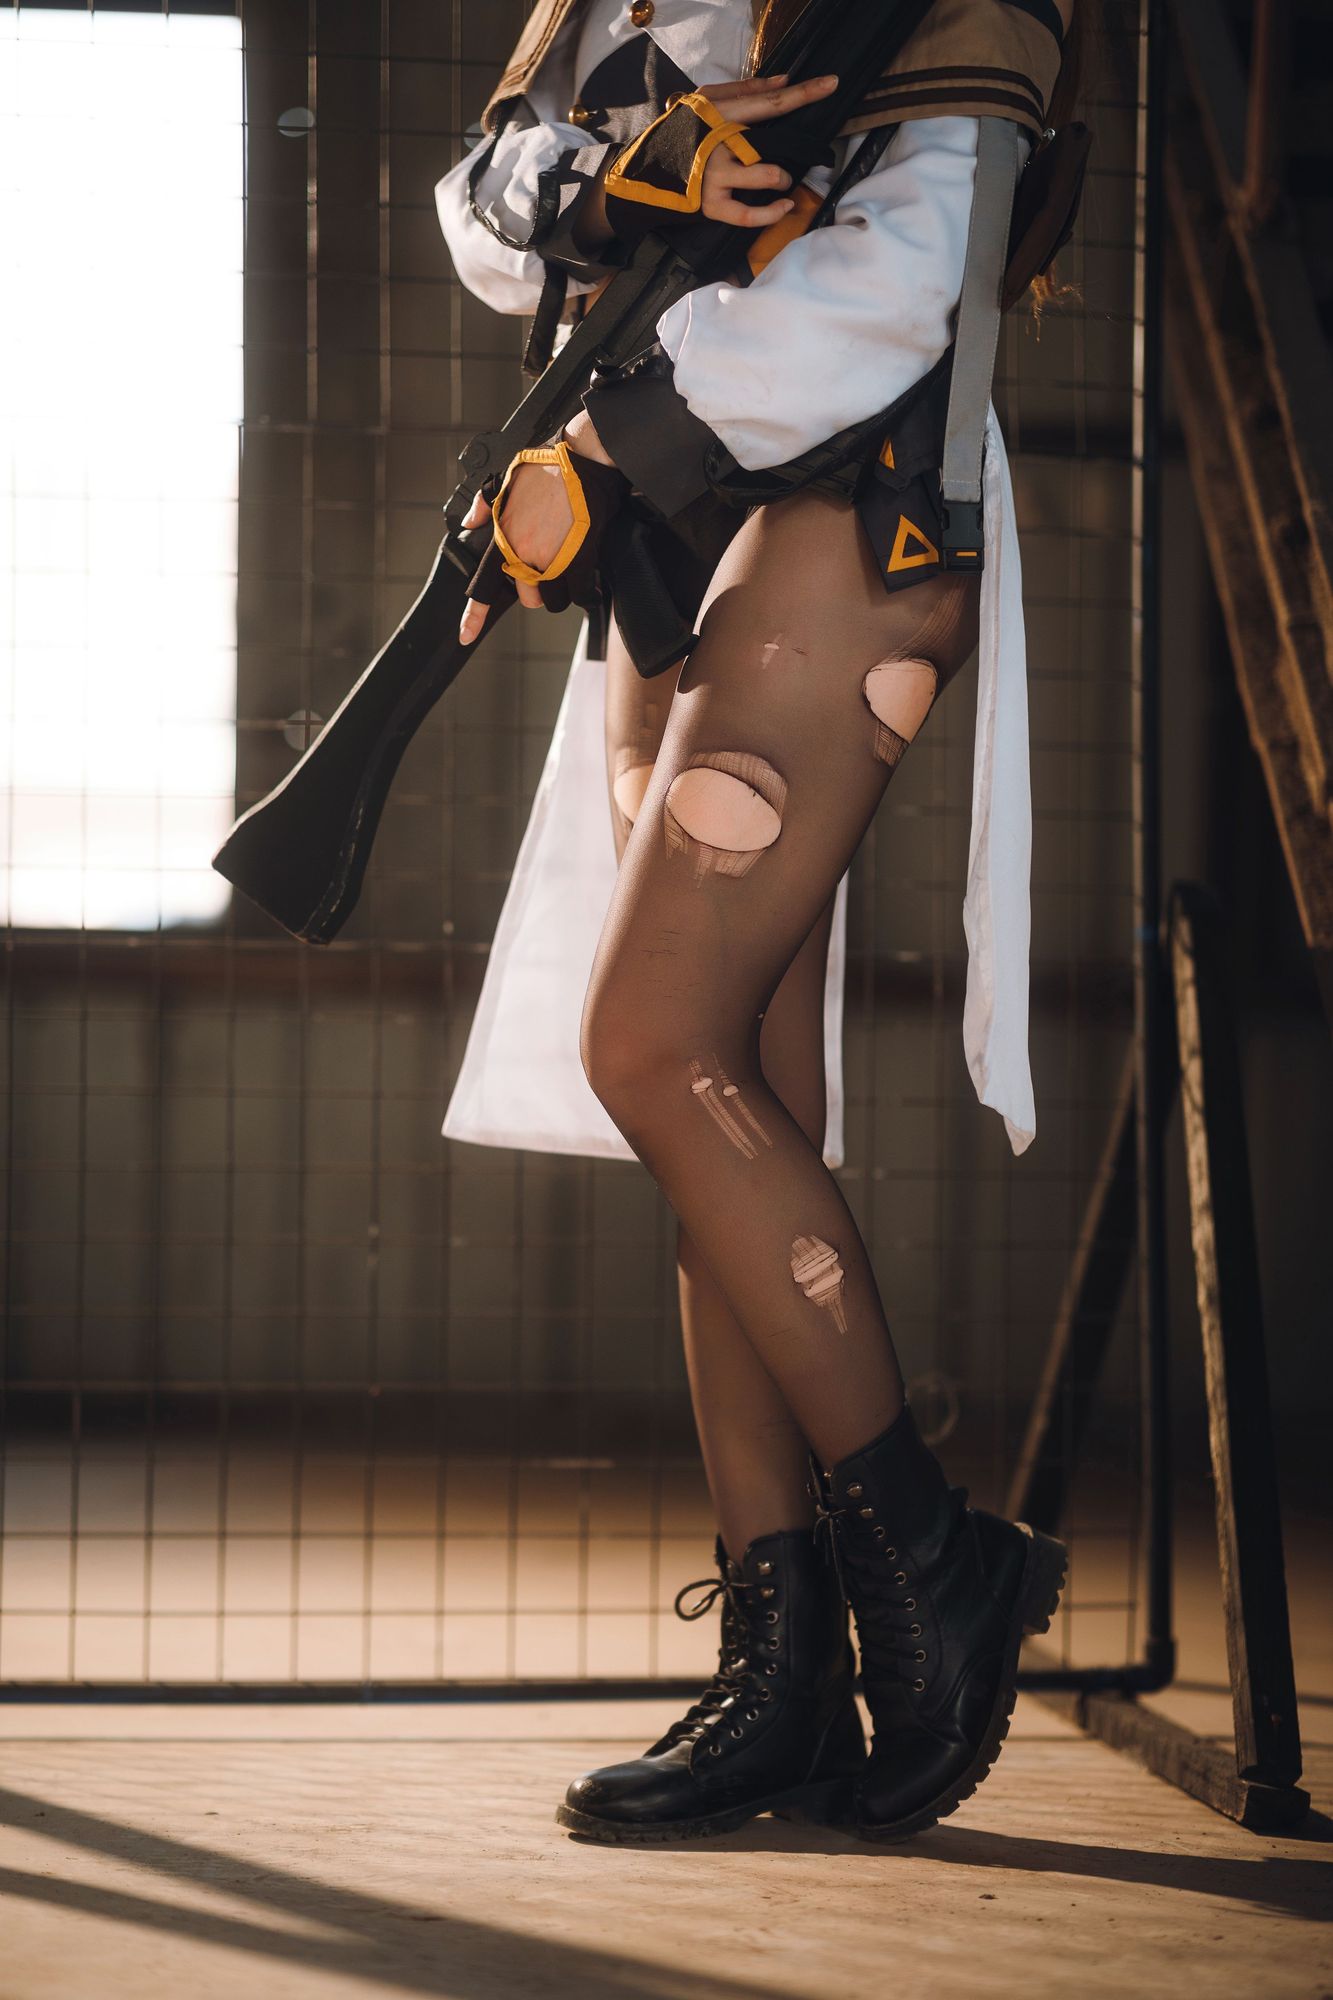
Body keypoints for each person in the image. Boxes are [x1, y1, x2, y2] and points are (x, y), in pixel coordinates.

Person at [435, 0, 1080, 1843]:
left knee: (648, 1046)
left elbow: (912, 270)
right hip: (665, 538)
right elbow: (483, 221)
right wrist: (581, 177)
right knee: (728, 1099)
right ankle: (782, 1667)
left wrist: (617, 439)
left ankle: (931, 1563)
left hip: (841, 505)